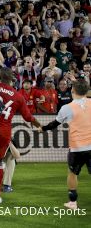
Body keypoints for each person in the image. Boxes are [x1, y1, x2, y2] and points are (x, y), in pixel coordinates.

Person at [0, 67, 41, 204]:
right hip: (3, 132)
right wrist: (39, 125)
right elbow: (28, 117)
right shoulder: (18, 96)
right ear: (11, 80)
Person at [41, 78, 91, 210]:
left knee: (72, 173)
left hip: (77, 149)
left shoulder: (67, 108)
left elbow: (54, 124)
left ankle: (73, 202)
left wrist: (42, 129)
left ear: (72, 90)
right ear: (87, 90)